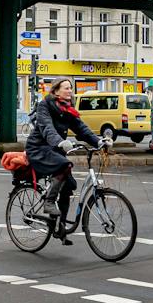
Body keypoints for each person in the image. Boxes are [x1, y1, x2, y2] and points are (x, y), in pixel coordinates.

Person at [24, 78, 101, 232]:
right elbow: (47, 128)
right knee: (65, 165)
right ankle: (49, 202)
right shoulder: (44, 105)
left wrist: (98, 142)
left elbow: (81, 128)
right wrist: (60, 142)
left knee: (68, 186)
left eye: (70, 88)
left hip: (54, 151)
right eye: (66, 88)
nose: (70, 91)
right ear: (55, 91)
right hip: (39, 149)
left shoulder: (68, 109)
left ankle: (61, 225)